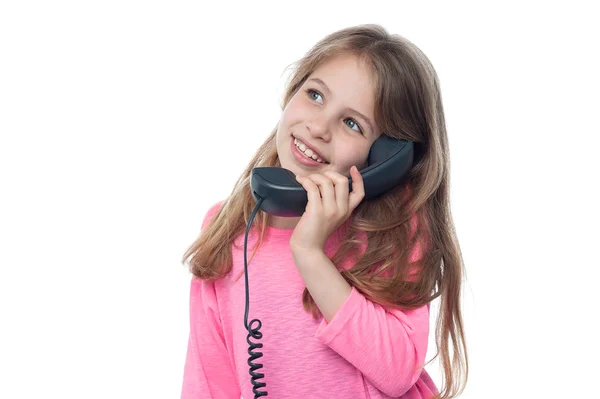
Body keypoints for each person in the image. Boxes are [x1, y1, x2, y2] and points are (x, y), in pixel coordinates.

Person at [180, 24, 468, 399]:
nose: (318, 127)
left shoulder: (393, 231)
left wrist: (310, 254)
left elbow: (397, 371)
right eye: (315, 95)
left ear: (388, 157)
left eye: (352, 123)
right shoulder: (229, 227)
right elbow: (209, 381)